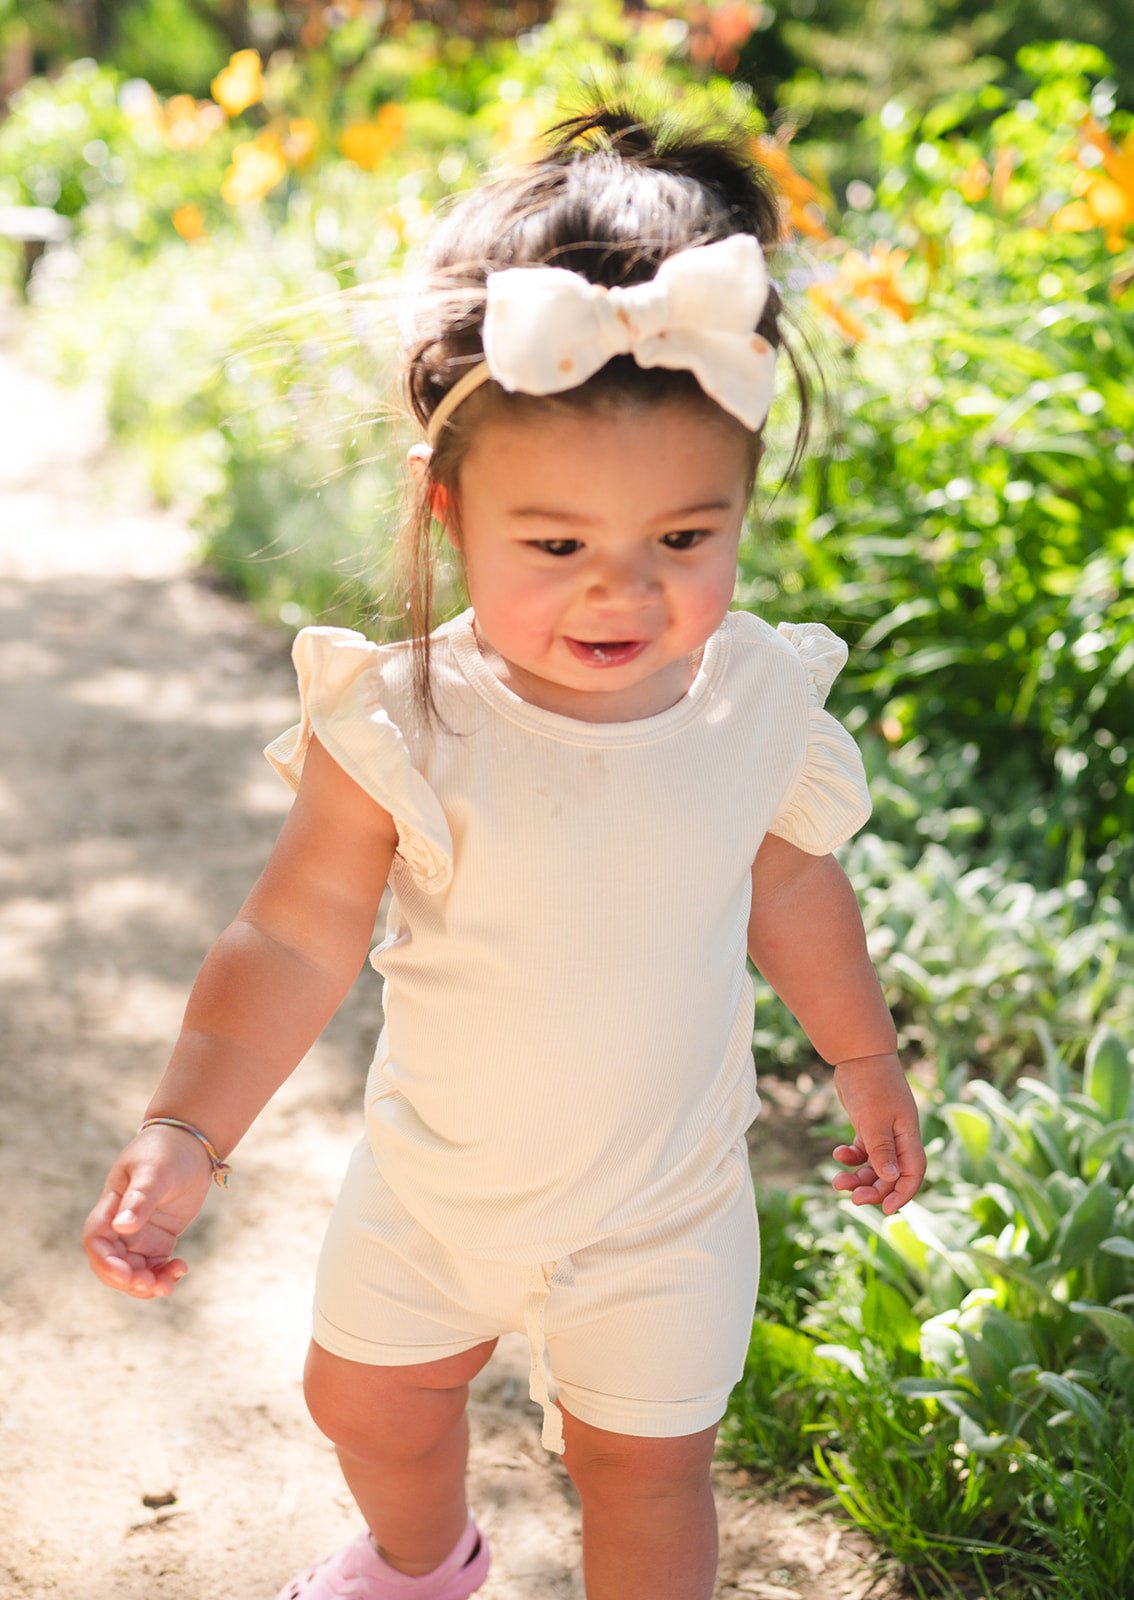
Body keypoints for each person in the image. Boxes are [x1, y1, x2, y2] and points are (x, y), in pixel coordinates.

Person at [83, 96, 925, 1600]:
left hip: (663, 1210)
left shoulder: (755, 700)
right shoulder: (406, 718)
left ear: (741, 506)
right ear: (449, 508)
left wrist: (860, 1059)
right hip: (437, 1192)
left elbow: (790, 879)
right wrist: (187, 1131)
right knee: (366, 1401)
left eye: (684, 539)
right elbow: (288, 939)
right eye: (556, 546)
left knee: (645, 1473)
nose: (624, 594)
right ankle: (422, 1562)